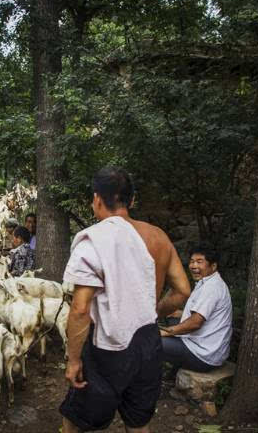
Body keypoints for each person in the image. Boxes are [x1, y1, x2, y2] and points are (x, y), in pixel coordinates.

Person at [59, 166, 190, 433]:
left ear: (97, 199)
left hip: (109, 347)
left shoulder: (93, 241)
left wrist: (73, 360)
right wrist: (151, 309)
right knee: (138, 421)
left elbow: (81, 308)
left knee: (77, 419)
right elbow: (183, 292)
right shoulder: (159, 238)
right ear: (131, 200)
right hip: (148, 343)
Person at [159, 245, 232, 375]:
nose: (193, 266)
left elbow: (195, 323)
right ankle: (173, 372)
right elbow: (205, 314)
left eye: (199, 262)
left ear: (213, 266)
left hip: (203, 356)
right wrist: (178, 314)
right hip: (206, 347)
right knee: (172, 316)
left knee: (150, 341)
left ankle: (146, 380)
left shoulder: (212, 288)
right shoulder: (207, 282)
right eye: (192, 261)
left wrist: (166, 333)